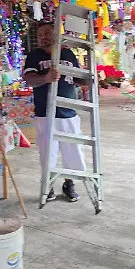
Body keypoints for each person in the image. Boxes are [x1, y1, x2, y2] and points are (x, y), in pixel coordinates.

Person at [23, 21, 86, 202]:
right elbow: (28, 80)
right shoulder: (34, 56)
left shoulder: (67, 53)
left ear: (56, 34)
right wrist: (45, 78)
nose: (43, 37)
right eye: (40, 35)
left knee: (72, 150)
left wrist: (89, 79)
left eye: (47, 33)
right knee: (47, 152)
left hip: (68, 112)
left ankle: (69, 184)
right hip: (45, 113)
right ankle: (48, 185)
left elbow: (78, 79)